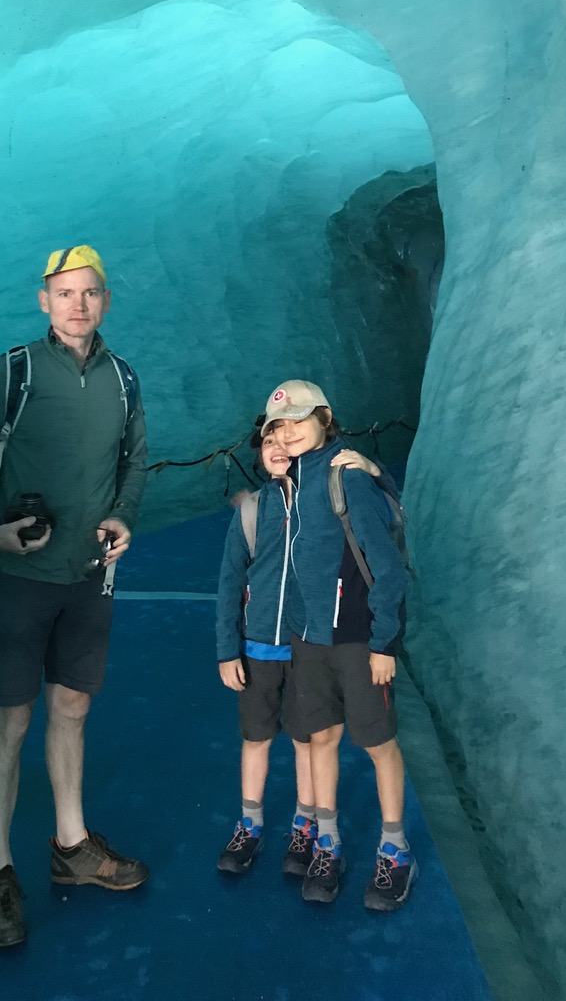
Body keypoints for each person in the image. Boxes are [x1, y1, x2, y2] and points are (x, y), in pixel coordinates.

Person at [0, 245, 149, 948]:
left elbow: (134, 459)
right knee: (11, 720)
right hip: (22, 580)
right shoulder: (16, 371)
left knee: (72, 705)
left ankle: (72, 847)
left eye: (90, 293)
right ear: (44, 300)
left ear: (105, 299)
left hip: (89, 576)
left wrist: (124, 512)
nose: (78, 305)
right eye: (65, 294)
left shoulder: (123, 379)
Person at [262, 380, 417, 911]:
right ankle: (328, 843)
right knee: (320, 738)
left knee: (377, 745)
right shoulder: (291, 483)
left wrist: (383, 644)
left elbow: (388, 567)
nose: (289, 431)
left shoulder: (345, 479)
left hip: (357, 642)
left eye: (299, 419)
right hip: (309, 643)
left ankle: (395, 850)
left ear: (325, 418)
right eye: (279, 425)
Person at [216, 425, 384, 879]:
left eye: (283, 441)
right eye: (267, 443)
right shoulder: (252, 510)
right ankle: (249, 823)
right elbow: (230, 582)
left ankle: (304, 823)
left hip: (307, 648)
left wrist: (372, 468)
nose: (276, 448)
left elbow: (375, 507)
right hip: (258, 647)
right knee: (255, 738)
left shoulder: (321, 503)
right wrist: (227, 649)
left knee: (308, 739)